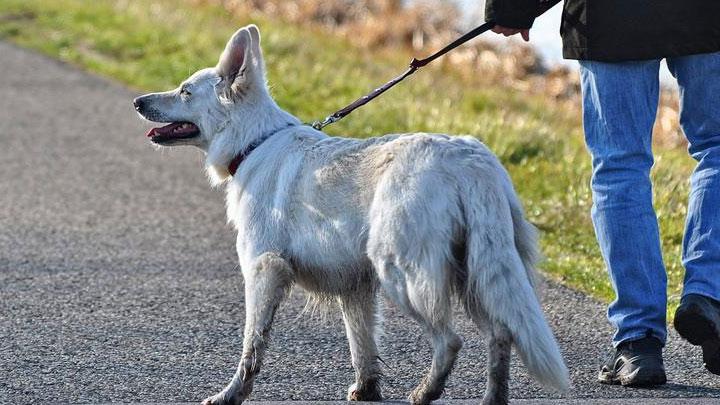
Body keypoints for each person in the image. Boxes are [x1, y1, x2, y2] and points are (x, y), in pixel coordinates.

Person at [484, 0, 720, 387]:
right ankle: (709, 293)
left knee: (619, 166)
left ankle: (637, 341)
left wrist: (514, 6)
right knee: (717, 147)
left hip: (613, 17)